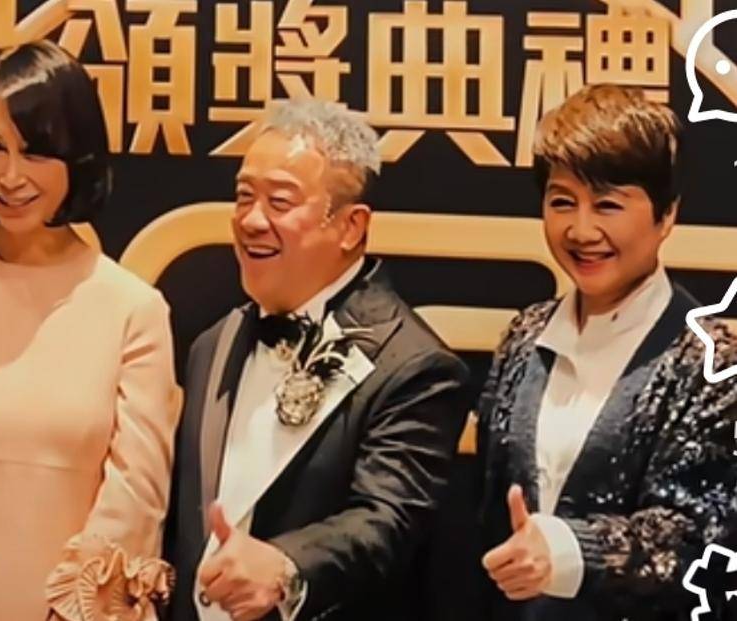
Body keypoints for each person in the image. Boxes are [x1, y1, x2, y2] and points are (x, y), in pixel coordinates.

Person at [163, 99, 469, 621]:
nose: (251, 220)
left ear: (350, 226)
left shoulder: (415, 366)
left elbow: (385, 520)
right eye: (244, 196)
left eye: (279, 202)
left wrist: (287, 568)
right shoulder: (213, 343)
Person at [0, 39, 179, 620]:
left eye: (37, 151)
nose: (10, 176)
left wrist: (77, 607)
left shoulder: (132, 308)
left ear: (77, 156)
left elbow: (136, 495)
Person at [475, 84, 737, 620]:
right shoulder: (525, 336)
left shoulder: (713, 361)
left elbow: (702, 540)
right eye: (561, 202)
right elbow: (488, 509)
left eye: (608, 205)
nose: (581, 230)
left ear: (666, 215)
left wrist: (570, 551)